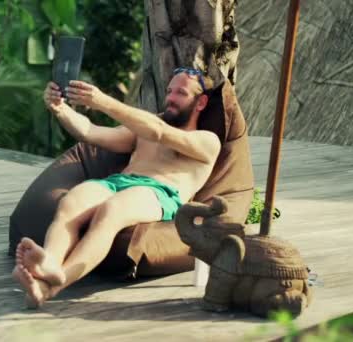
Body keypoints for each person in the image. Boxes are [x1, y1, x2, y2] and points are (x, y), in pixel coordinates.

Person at [12, 67, 221, 308]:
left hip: (160, 192)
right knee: (73, 201)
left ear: (201, 102)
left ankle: (57, 282)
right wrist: (60, 109)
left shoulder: (207, 140)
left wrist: (101, 101)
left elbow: (160, 131)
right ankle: (47, 268)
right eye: (169, 91)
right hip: (118, 183)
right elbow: (91, 132)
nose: (171, 98)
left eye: (181, 93)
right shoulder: (143, 131)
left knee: (112, 209)